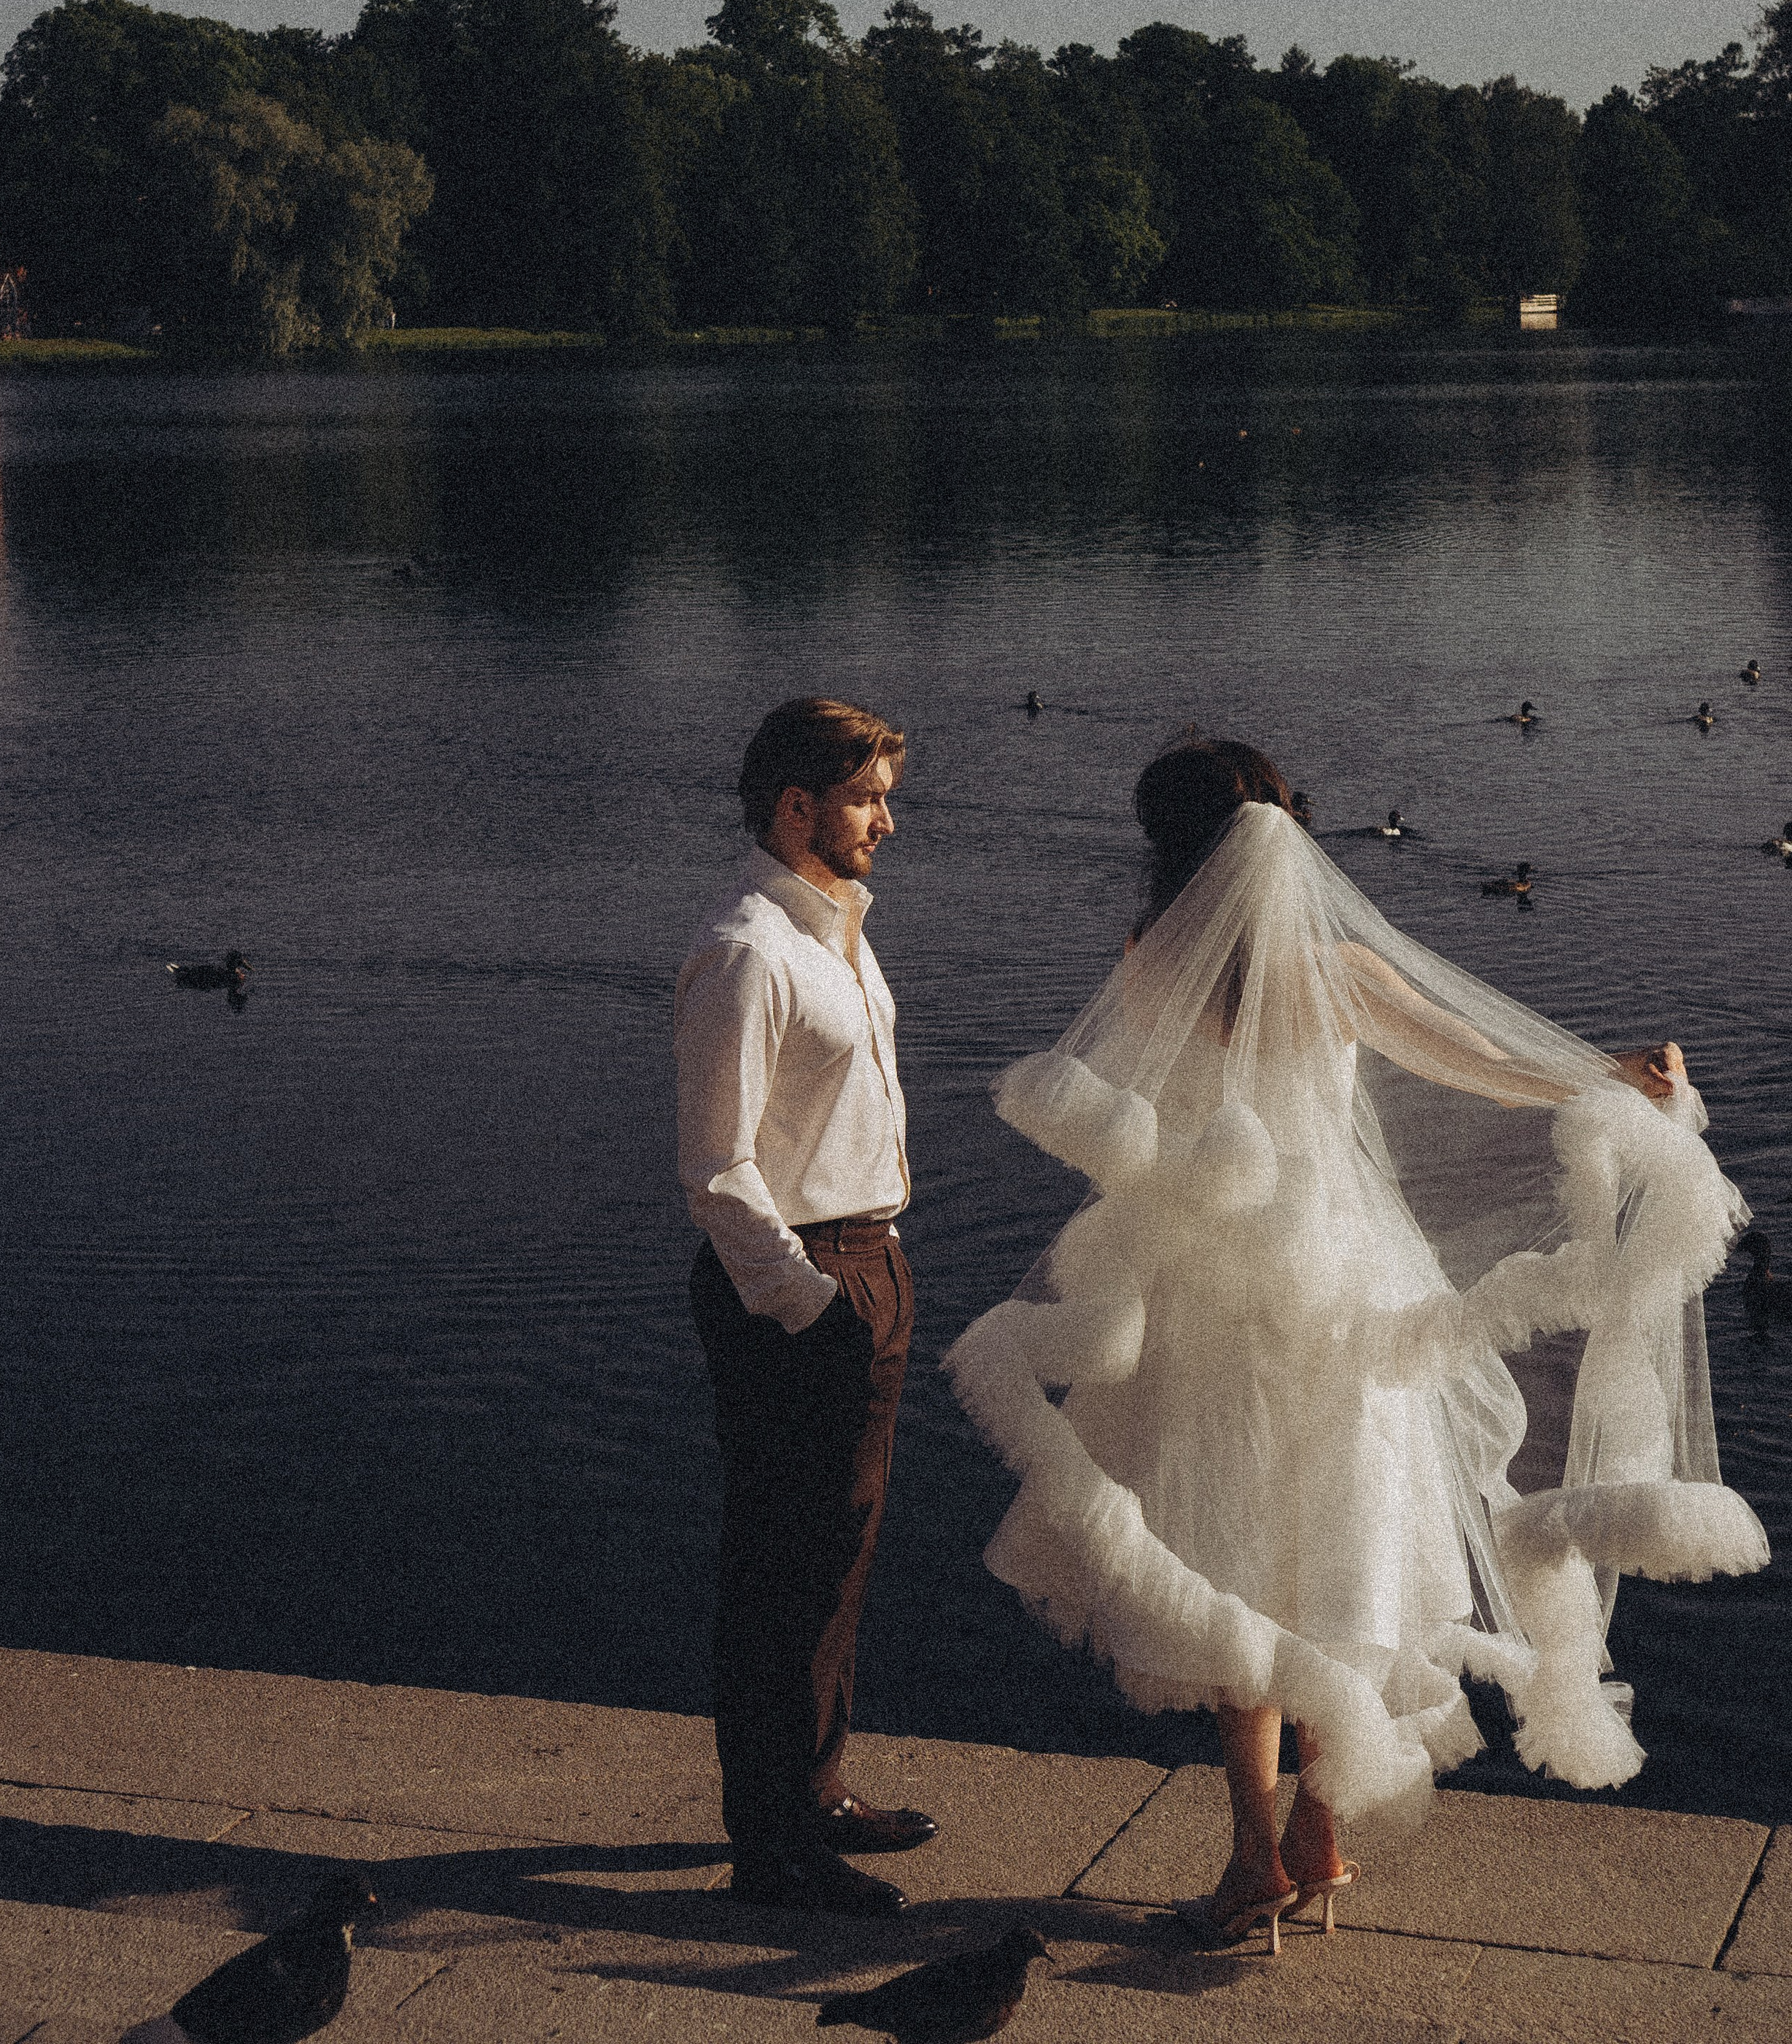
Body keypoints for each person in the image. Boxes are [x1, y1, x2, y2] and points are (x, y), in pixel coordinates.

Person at [948, 737, 1767, 1955]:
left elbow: (1138, 1120)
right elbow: (1487, 1065)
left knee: (1226, 1562)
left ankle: (1252, 1858)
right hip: (1341, 1287)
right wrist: (1614, 1076)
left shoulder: (1147, 967)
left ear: (1168, 848)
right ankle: (1320, 1832)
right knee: (1344, 1556)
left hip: (1204, 1287)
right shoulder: (1331, 969)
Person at [677, 697, 937, 1917]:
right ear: (796, 807)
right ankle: (770, 1846)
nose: (887, 820)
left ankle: (815, 1792)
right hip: (798, 1284)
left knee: (839, 1555)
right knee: (780, 1565)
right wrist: (809, 1302)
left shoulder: (836, 932)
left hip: (867, 1260)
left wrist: (871, 1274)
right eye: (866, 799)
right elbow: (716, 1169)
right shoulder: (748, 952)